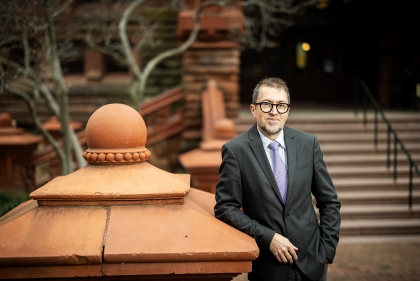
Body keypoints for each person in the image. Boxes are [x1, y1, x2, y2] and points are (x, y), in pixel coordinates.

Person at [214, 77, 341, 281]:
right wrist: (268, 238)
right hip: (269, 267)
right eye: (267, 104)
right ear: (253, 109)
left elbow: (329, 202)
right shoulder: (236, 151)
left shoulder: (308, 144)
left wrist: (326, 250)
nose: (274, 111)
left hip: (313, 263)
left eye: (281, 105)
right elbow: (225, 207)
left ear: (287, 111)